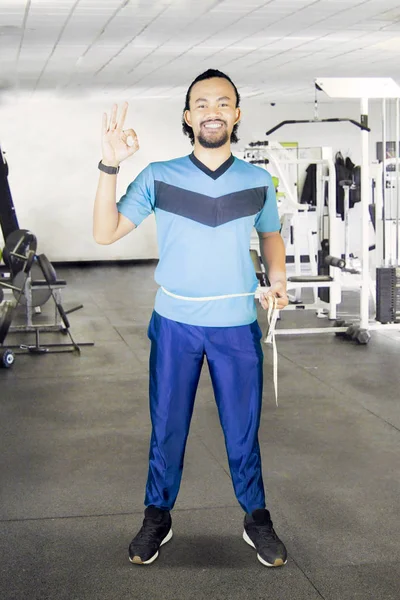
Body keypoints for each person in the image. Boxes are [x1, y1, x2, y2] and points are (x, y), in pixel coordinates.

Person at [93, 69, 288, 568]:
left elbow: (270, 236)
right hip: (175, 323)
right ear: (187, 116)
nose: (212, 111)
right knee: (168, 426)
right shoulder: (159, 175)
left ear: (237, 114)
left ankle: (257, 518)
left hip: (236, 324)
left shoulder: (258, 180)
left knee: (242, 429)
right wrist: (108, 165)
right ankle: (157, 516)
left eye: (223, 103)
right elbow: (104, 232)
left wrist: (279, 278)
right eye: (201, 104)